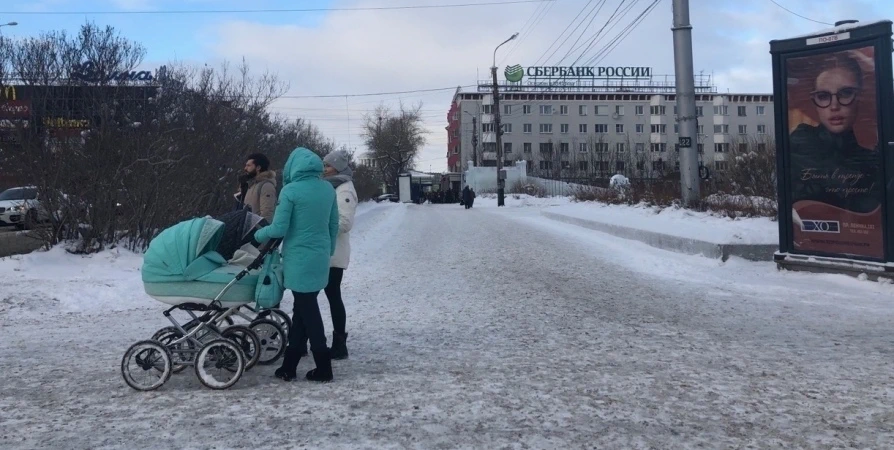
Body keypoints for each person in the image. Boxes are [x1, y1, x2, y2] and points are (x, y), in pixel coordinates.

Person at [254, 147, 339, 383]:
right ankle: (289, 366)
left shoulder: (291, 191)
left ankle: (324, 367)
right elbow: (333, 225)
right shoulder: (327, 189)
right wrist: (328, 251)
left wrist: (259, 235)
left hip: (299, 258)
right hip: (320, 256)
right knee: (301, 311)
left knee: (308, 311)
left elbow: (280, 228)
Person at [789, 52, 879, 213]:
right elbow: (846, 189)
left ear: (859, 98)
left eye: (845, 93)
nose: (834, 106)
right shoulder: (802, 141)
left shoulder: (868, 153)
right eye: (823, 96)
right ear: (815, 103)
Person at [322, 150, 357, 360]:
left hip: (333, 253)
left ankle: (339, 343)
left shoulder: (344, 190)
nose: (324, 169)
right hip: (325, 251)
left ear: (338, 167)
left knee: (333, 296)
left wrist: (318, 226)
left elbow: (345, 223)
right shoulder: (332, 186)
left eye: (327, 165)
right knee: (326, 296)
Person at [240, 153, 278, 224]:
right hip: (246, 230)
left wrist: (258, 232)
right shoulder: (250, 185)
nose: (245, 168)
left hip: (255, 232)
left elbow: (267, 213)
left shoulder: (266, 186)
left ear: (258, 168)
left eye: (248, 165)